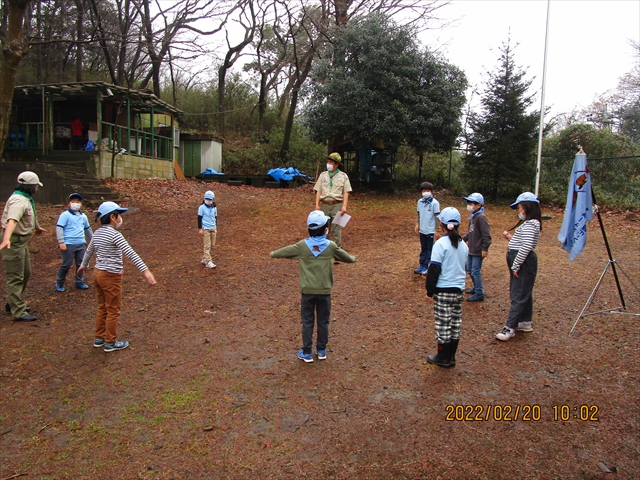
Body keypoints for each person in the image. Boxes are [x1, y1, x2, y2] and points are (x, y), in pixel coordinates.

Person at [270, 210, 356, 363]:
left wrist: (273, 253)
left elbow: (282, 252)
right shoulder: (331, 246)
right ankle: (321, 350)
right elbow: (348, 259)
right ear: (325, 229)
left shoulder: (302, 246)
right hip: (324, 291)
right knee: (323, 321)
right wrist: (354, 258)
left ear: (309, 229)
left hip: (307, 292)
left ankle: (307, 351)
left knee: (307, 321)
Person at [77, 201, 156, 352]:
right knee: (113, 308)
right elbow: (131, 253)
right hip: (111, 276)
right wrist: (146, 271)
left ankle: (99, 338)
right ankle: (110, 342)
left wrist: (83, 265)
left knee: (102, 306)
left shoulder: (97, 233)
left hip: (97, 274)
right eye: (119, 215)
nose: (120, 218)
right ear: (113, 217)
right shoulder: (115, 235)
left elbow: (89, 251)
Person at [425, 207, 468, 368]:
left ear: (441, 224)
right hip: (458, 289)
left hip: (443, 290)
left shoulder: (440, 244)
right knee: (455, 323)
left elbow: (434, 268)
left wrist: (430, 290)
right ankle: (451, 356)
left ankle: (442, 356)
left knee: (443, 324)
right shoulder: (463, 244)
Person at [496, 192, 542, 342]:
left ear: (527, 207)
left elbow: (526, 246)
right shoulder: (529, 224)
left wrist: (516, 265)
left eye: (520, 207)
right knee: (524, 291)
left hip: (523, 262)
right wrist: (511, 238)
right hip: (520, 259)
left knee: (518, 294)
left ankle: (510, 327)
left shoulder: (531, 224)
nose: (518, 211)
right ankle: (525, 321)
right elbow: (523, 241)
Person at [1, 171, 46, 322]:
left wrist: (36, 227)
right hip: (14, 240)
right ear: (30, 186)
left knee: (25, 272)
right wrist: (7, 239)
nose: (37, 189)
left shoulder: (25, 199)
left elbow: (27, 216)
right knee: (15, 277)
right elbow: (12, 220)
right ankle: (18, 311)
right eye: (35, 186)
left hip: (22, 241)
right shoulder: (18, 201)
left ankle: (12, 302)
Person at [55, 193, 93, 292]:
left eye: (78, 202)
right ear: (69, 204)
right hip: (68, 243)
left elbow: (87, 229)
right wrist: (61, 242)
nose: (75, 204)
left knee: (81, 264)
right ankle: (60, 282)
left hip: (81, 243)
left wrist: (94, 240)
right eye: (73, 202)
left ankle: (79, 282)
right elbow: (59, 228)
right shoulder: (65, 215)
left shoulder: (83, 216)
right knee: (66, 264)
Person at [314, 152, 352, 248]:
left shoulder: (343, 176)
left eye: (331, 162)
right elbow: (318, 190)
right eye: (328, 162)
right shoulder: (323, 175)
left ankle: (337, 250)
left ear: (336, 164)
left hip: (337, 205)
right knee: (324, 228)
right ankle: (326, 250)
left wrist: (344, 206)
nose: (328, 164)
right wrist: (317, 205)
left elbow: (346, 192)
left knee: (337, 229)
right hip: (325, 205)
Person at [461, 192, 492, 301]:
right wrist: (462, 240)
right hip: (471, 250)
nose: (469, 205)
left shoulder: (481, 218)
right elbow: (470, 233)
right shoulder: (473, 217)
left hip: (478, 251)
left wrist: (485, 249)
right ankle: (475, 287)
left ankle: (479, 293)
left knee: (475, 271)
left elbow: (487, 235)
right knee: (469, 269)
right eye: (468, 203)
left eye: (471, 203)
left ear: (478, 205)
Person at [414, 181, 440, 275]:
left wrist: (437, 230)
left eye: (428, 190)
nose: (426, 192)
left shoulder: (435, 203)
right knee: (423, 248)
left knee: (430, 249)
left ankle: (428, 266)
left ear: (431, 191)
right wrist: (417, 224)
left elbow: (437, 217)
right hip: (423, 230)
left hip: (430, 231)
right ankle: (422, 265)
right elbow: (419, 214)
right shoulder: (420, 202)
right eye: (424, 190)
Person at [198, 190, 218, 269]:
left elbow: (215, 217)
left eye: (210, 199)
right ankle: (208, 261)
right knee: (207, 246)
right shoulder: (201, 208)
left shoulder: (214, 207)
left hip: (213, 228)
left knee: (212, 245)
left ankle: (204, 258)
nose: (208, 201)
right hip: (206, 229)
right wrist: (200, 228)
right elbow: (199, 218)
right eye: (207, 199)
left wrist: (215, 227)